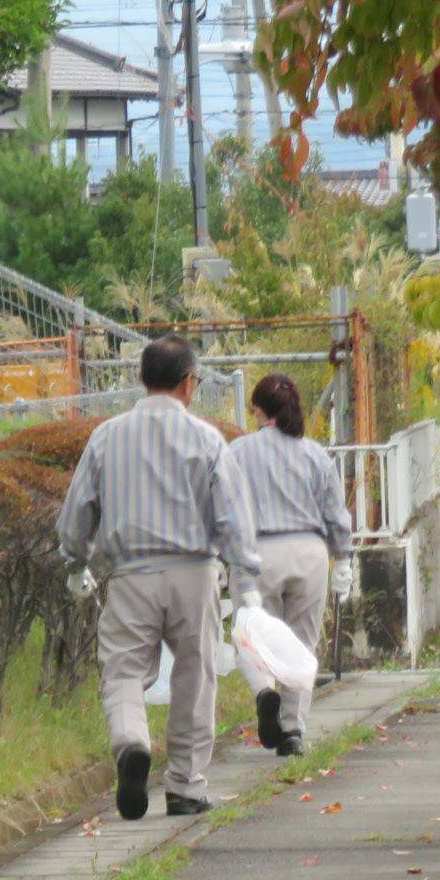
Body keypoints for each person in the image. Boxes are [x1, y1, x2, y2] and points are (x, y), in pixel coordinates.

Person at [59, 336, 260, 820]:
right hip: (195, 573)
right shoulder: (206, 439)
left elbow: (77, 512)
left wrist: (76, 562)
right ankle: (185, 787)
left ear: (141, 378)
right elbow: (233, 518)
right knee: (195, 676)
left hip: (130, 574)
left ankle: (132, 743)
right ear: (189, 383)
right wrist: (246, 580)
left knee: (123, 671)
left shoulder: (106, 436)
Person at [232, 373, 352, 757]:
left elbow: (223, 509)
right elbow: (336, 514)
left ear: (258, 410)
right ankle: (292, 732)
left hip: (257, 553)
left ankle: (263, 693)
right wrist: (344, 559)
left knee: (249, 635)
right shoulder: (315, 454)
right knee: (301, 644)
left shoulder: (239, 452)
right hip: (309, 552)